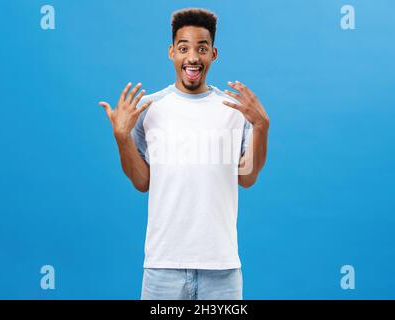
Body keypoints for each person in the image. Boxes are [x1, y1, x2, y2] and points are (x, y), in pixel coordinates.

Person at [99, 8, 269, 300]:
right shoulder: (150, 108)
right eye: (183, 48)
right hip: (163, 265)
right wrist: (121, 137)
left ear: (213, 54)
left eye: (201, 48)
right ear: (171, 53)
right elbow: (142, 182)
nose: (192, 57)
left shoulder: (233, 110)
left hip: (221, 267)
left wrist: (262, 126)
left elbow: (247, 177)